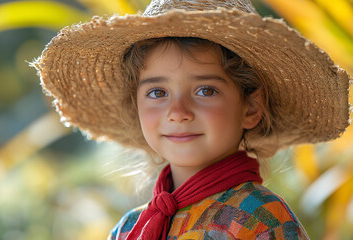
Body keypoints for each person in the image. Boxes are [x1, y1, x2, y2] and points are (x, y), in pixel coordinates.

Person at [33, 0, 351, 239]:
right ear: (136, 107)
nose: (178, 112)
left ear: (251, 108)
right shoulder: (130, 227)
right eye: (157, 93)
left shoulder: (262, 221)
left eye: (205, 90)